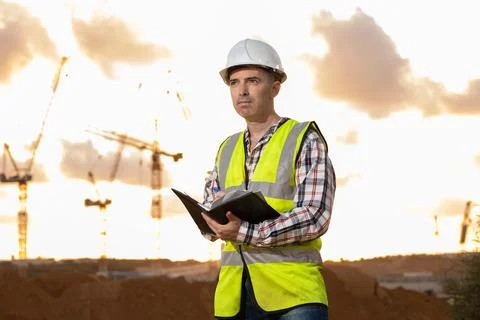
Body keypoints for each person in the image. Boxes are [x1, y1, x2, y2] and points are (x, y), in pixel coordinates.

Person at [201, 38, 336, 320]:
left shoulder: (303, 139)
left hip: (293, 297)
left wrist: (246, 233)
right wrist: (210, 222)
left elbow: (315, 216)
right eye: (234, 83)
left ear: (275, 88)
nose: (243, 92)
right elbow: (209, 210)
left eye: (253, 81)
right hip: (234, 298)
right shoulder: (227, 148)